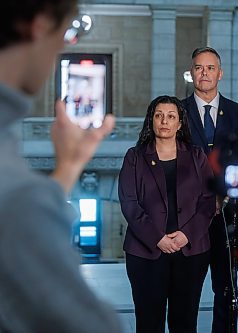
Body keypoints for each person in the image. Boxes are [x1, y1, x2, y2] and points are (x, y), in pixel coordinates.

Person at [0, 1, 121, 332]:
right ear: (39, 24)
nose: (62, 49)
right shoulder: (22, 197)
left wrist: (68, 167)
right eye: (68, 34)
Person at [118, 95, 215, 333]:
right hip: (146, 252)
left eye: (171, 116)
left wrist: (186, 235)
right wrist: (157, 238)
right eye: (159, 115)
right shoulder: (135, 156)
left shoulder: (196, 156)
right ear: (151, 121)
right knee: (149, 322)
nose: (164, 121)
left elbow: (209, 201)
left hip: (190, 251)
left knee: (185, 321)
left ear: (180, 123)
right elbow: (129, 203)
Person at [182, 46, 238, 333]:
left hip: (229, 216)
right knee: (187, 289)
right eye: (199, 67)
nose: (205, 73)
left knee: (227, 289)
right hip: (187, 215)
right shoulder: (177, 111)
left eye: (210, 68)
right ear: (191, 73)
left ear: (220, 74)